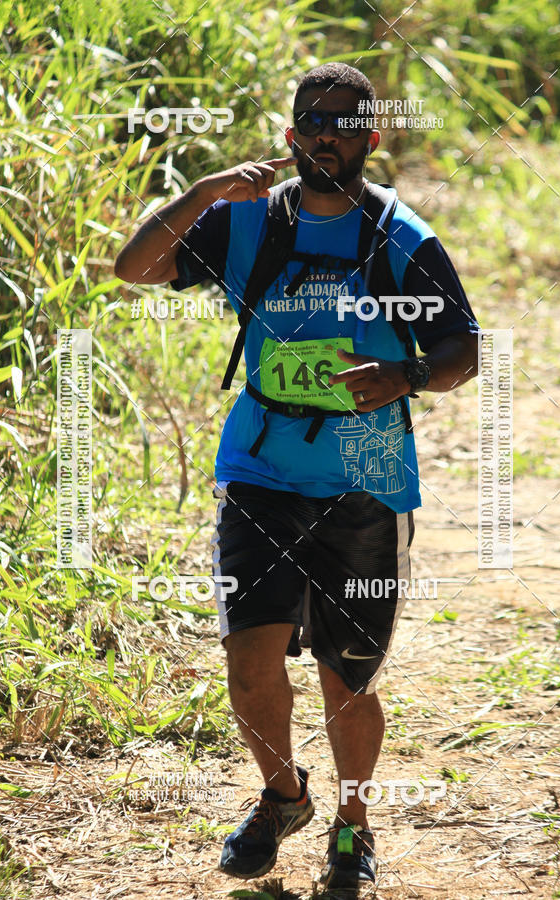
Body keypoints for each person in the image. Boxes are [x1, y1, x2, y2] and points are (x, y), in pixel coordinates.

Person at [115, 62, 479, 892]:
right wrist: (205, 191)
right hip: (260, 467)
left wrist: (406, 375)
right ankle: (283, 798)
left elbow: (464, 348)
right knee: (249, 662)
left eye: (343, 124)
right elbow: (134, 268)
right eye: (312, 121)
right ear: (290, 135)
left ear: (371, 137)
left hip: (365, 478)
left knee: (347, 676)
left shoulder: (402, 237)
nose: (326, 136)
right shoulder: (247, 219)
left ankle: (354, 825)